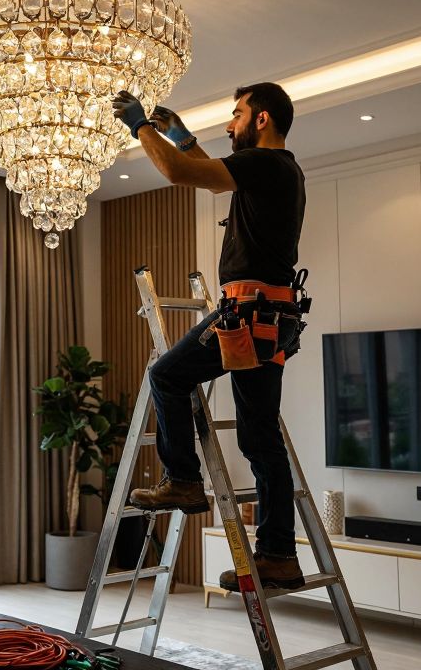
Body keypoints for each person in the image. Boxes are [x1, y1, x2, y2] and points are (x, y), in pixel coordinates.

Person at [111, 83, 307, 590]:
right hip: (269, 319)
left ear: (261, 119)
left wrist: (141, 128)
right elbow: (216, 179)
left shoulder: (267, 165)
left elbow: (182, 174)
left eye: (237, 114)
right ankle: (279, 555)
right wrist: (183, 137)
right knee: (260, 439)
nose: (230, 124)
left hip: (246, 314)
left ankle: (183, 481)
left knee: (167, 375)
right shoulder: (279, 171)